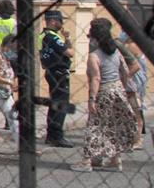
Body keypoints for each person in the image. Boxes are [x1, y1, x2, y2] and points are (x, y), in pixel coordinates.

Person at [76, 18, 142, 171]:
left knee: (95, 125)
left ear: (96, 38)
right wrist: (122, 88)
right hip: (118, 90)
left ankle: (86, 161)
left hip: (104, 91)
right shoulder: (116, 52)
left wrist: (92, 98)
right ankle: (115, 159)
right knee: (114, 125)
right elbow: (124, 72)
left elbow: (96, 78)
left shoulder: (95, 56)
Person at [39, 9, 74, 147]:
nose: (62, 23)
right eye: (60, 20)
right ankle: (57, 136)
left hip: (52, 71)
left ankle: (51, 135)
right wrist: (68, 39)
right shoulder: (52, 37)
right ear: (53, 21)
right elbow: (70, 53)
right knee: (61, 105)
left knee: (55, 104)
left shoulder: (43, 35)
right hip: (58, 73)